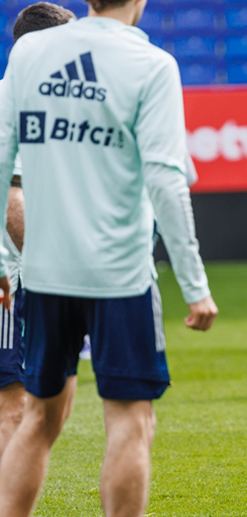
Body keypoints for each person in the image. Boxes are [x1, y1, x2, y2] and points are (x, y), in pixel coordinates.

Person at [0, 0, 219, 515]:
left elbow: (4, 156)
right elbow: (168, 179)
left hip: (43, 271)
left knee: (37, 419)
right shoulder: (152, 64)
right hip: (119, 277)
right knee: (130, 421)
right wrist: (195, 286)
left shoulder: (30, 52)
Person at [0, 1, 77, 462]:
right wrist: (46, 273)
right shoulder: (13, 106)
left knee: (29, 404)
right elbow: (14, 203)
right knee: (12, 404)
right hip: (11, 279)